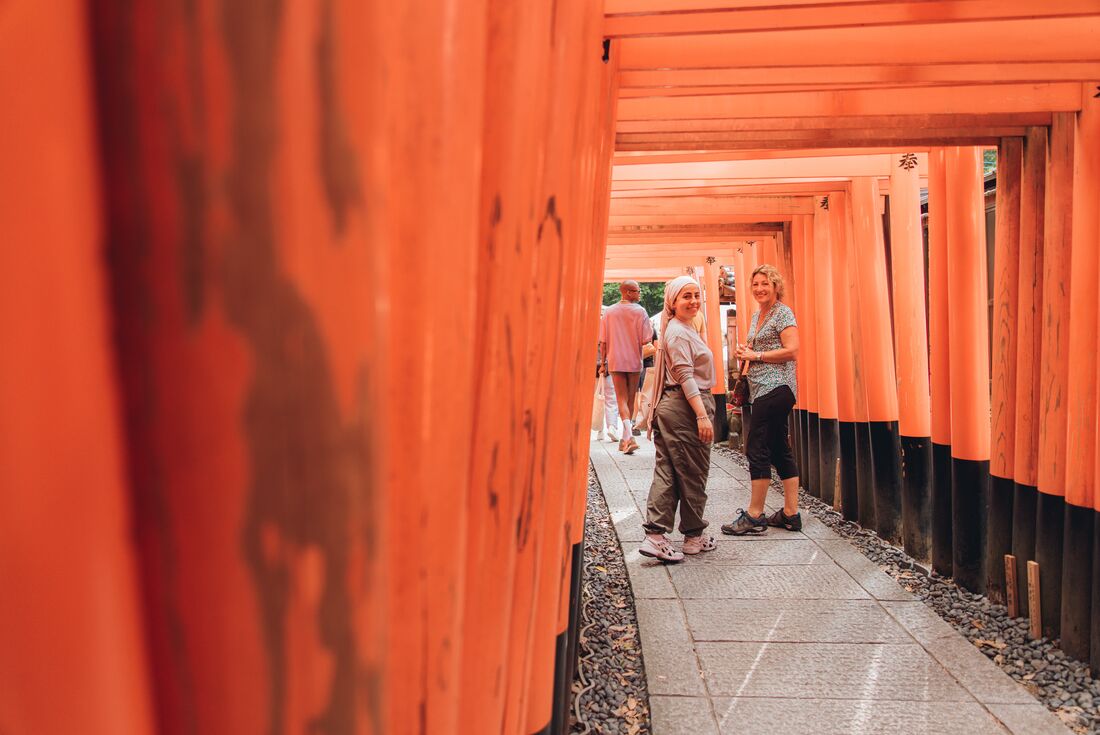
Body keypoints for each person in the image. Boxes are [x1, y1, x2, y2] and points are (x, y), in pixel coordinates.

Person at [636, 276, 719, 563]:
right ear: (672, 300)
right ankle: (692, 535)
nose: (693, 301)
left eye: (696, 295)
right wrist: (701, 415)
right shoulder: (678, 333)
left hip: (674, 406)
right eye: (686, 296)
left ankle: (656, 535)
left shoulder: (679, 328)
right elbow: (685, 375)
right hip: (685, 406)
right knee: (693, 472)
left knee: (669, 471)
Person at [721, 264, 801, 535]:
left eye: (765, 283)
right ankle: (791, 513)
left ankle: (755, 515)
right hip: (762, 388)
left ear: (776, 285)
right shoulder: (758, 316)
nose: (759, 289)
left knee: (757, 448)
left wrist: (756, 357)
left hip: (776, 387)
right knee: (779, 448)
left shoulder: (782, 313)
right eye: (755, 284)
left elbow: (792, 350)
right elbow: (761, 349)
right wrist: (748, 351)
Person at [599, 280, 653, 454]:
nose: (639, 293)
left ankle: (626, 438)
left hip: (615, 360)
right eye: (637, 291)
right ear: (628, 292)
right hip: (634, 360)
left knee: (621, 397)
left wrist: (603, 363)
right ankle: (628, 437)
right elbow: (647, 339)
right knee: (629, 399)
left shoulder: (609, 312)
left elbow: (603, 341)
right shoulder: (641, 312)